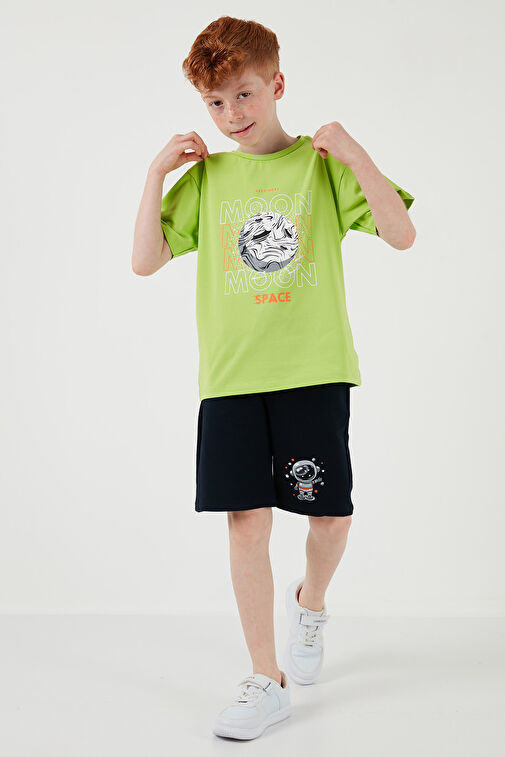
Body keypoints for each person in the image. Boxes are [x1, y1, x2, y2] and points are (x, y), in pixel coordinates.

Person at [131, 15, 415, 741]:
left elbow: (400, 233)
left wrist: (353, 153)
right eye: (215, 102)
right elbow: (145, 261)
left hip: (312, 370)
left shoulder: (320, 166)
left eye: (244, 94)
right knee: (246, 520)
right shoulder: (209, 178)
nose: (232, 114)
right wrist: (156, 175)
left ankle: (310, 603)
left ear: (277, 84)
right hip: (231, 378)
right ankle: (267, 677)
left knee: (330, 516)